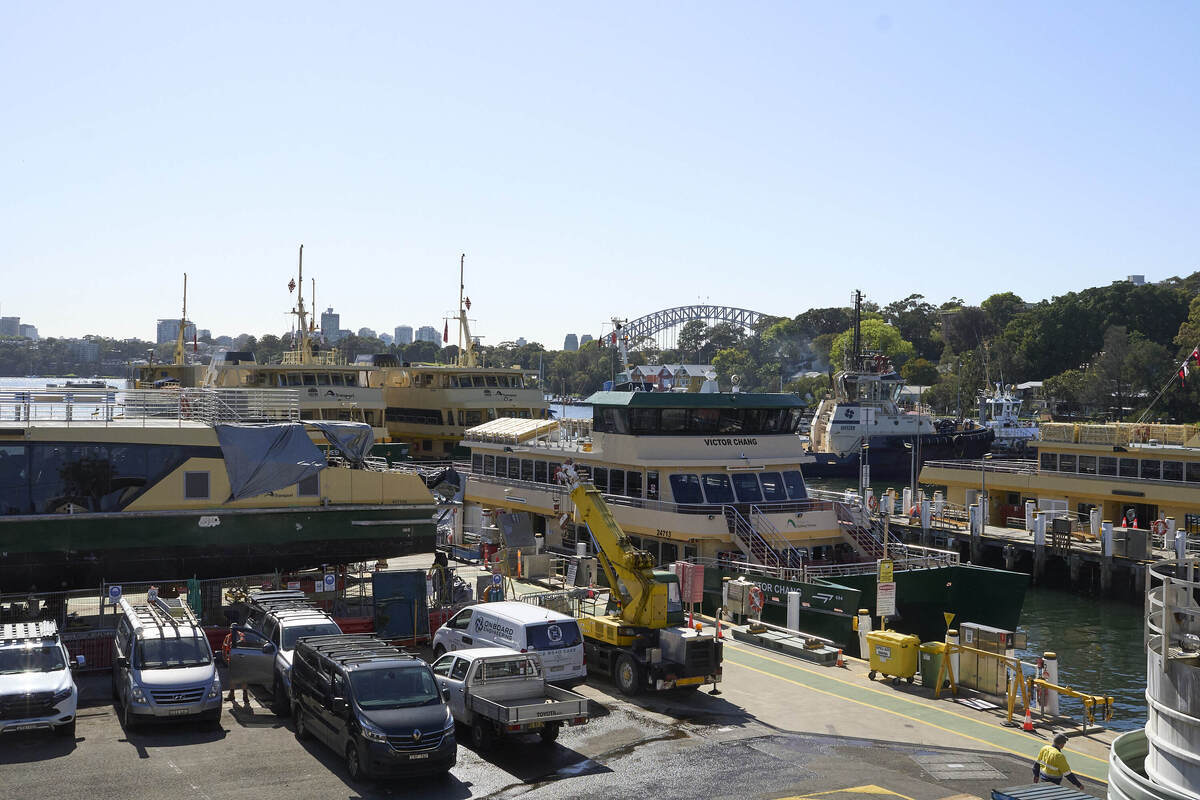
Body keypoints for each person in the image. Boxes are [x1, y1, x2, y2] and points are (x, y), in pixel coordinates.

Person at [223, 624, 251, 706]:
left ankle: (245, 696)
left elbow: (242, 641)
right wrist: (225, 657)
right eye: (231, 629)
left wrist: (235, 643)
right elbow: (224, 648)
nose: (231, 630)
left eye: (233, 629)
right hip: (231, 660)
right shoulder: (228, 637)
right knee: (232, 678)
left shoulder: (240, 635)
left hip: (241, 660)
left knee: (243, 678)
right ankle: (231, 695)